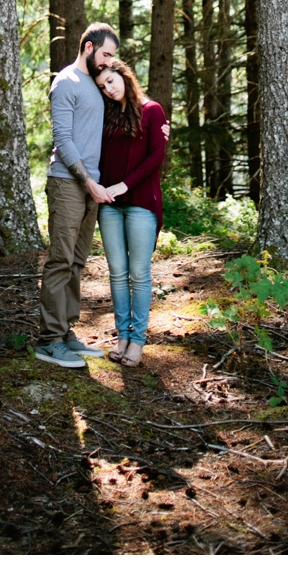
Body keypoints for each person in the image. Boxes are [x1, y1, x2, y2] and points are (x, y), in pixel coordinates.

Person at [35, 22, 120, 369]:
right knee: (60, 260)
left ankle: (66, 331)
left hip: (91, 185)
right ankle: (49, 341)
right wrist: (88, 182)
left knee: (77, 261)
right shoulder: (65, 82)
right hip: (69, 182)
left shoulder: (97, 85)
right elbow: (63, 139)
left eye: (112, 57)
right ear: (88, 47)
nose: (109, 62)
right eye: (106, 54)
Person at [94, 59, 167, 368]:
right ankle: (122, 335)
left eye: (111, 81)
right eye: (102, 87)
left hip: (140, 204)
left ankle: (138, 341)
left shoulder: (152, 111)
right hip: (109, 206)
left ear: (123, 76)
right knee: (117, 273)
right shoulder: (106, 116)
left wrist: (125, 185)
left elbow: (156, 157)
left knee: (139, 274)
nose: (109, 90)